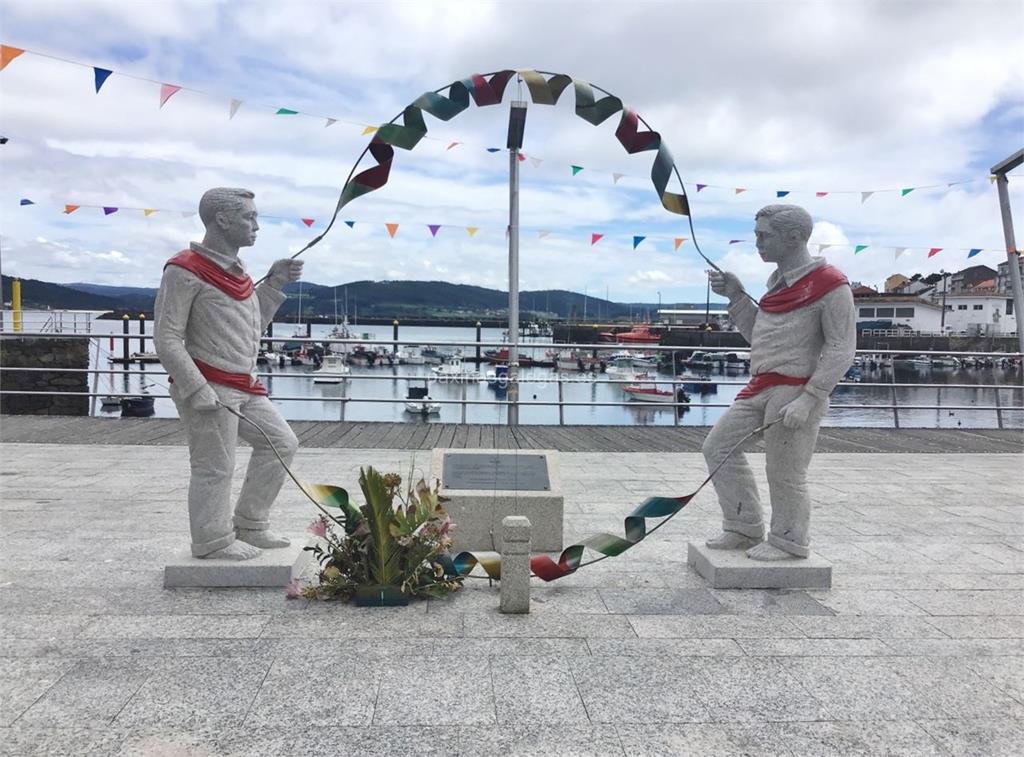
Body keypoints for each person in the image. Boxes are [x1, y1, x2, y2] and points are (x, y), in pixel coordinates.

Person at [154, 188, 302, 561]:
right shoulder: (184, 270)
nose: (256, 226)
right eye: (249, 217)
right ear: (222, 220)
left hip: (243, 384)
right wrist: (195, 387)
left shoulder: (239, 275)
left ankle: (251, 524)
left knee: (281, 443)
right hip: (210, 385)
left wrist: (274, 285)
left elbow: (253, 327)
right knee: (214, 465)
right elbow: (167, 337)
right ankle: (212, 540)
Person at [703, 204, 855, 560]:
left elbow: (841, 348)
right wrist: (738, 297)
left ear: (794, 237)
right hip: (761, 385)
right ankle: (743, 527)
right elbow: (760, 336)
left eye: (763, 235)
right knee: (717, 448)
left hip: (795, 389)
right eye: (757, 234)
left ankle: (789, 540)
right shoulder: (776, 286)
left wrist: (811, 397)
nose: (757, 243)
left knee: (785, 471)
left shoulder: (831, 285)